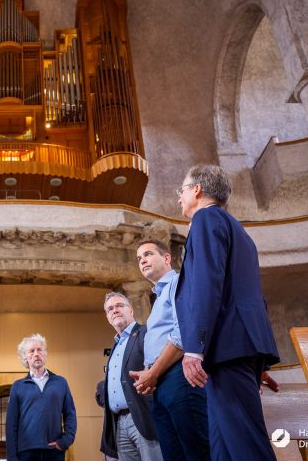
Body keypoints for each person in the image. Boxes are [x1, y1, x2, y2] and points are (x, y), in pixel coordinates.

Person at [174, 164, 280, 460]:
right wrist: (258, 363)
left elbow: (207, 284)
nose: (179, 198)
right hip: (239, 347)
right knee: (224, 452)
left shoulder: (205, 219)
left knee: (247, 447)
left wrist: (195, 347)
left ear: (196, 190)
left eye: (181, 190)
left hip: (226, 348)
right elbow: (251, 295)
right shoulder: (239, 231)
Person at [128, 240, 209, 460]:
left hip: (179, 376)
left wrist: (152, 373)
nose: (142, 260)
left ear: (166, 258)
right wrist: (149, 373)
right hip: (161, 384)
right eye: (139, 258)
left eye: (147, 254)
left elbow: (183, 334)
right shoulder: (158, 297)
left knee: (197, 451)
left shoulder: (178, 282)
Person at [101, 293, 162, 461]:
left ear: (131, 310)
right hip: (118, 423)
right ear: (107, 317)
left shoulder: (145, 332)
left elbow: (157, 364)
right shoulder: (115, 345)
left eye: (119, 306)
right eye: (110, 309)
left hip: (143, 416)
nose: (115, 310)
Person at [6, 334, 77, 461]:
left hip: (54, 451)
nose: (36, 354)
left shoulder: (61, 382)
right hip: (25, 452)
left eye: (40, 350)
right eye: (31, 351)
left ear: (45, 354)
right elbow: (11, 424)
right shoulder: (17, 386)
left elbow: (70, 414)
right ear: (25, 357)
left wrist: (66, 440)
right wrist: (12, 457)